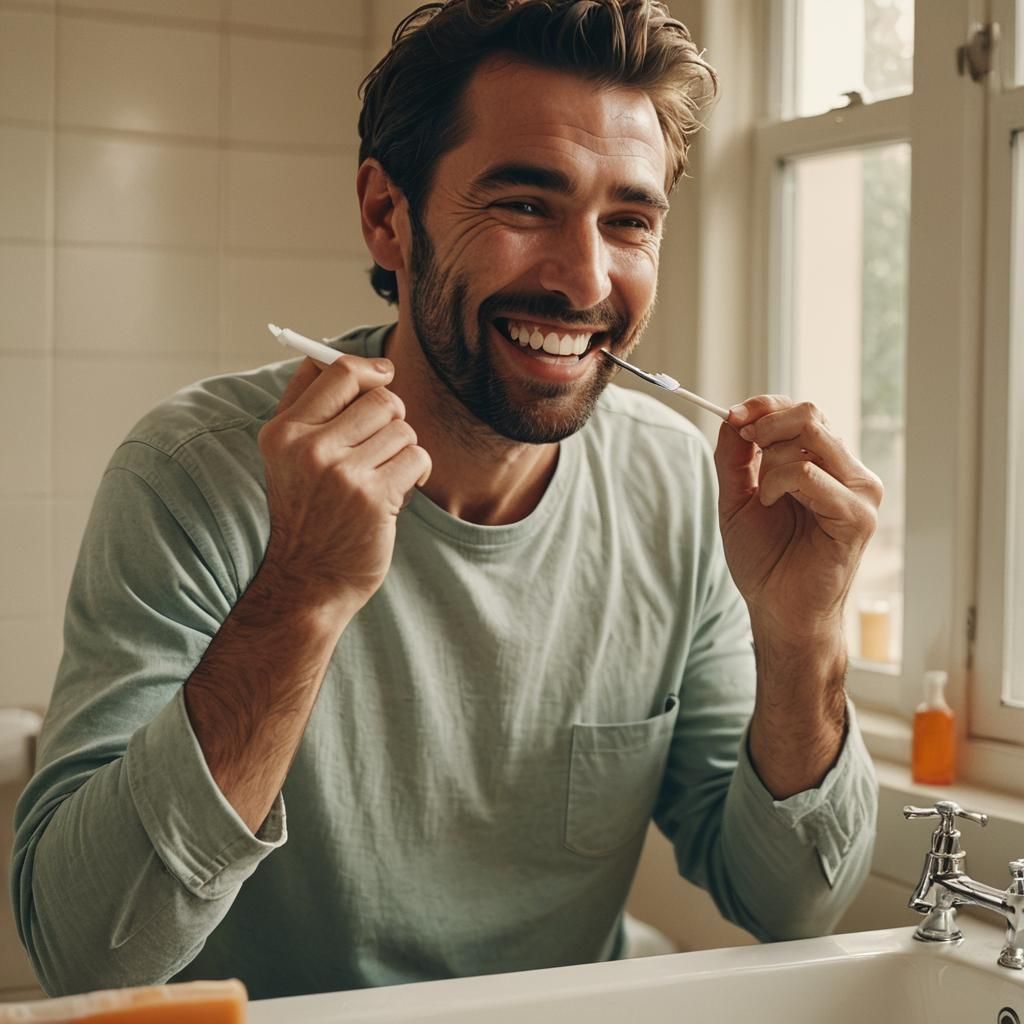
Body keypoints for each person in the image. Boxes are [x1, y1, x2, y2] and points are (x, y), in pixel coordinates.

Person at [11, 0, 881, 1002]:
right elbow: (84, 952)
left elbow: (792, 905)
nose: (583, 279)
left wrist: (803, 636)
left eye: (629, 221)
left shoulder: (675, 482)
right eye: (524, 204)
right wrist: (300, 591)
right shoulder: (191, 472)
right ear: (388, 216)